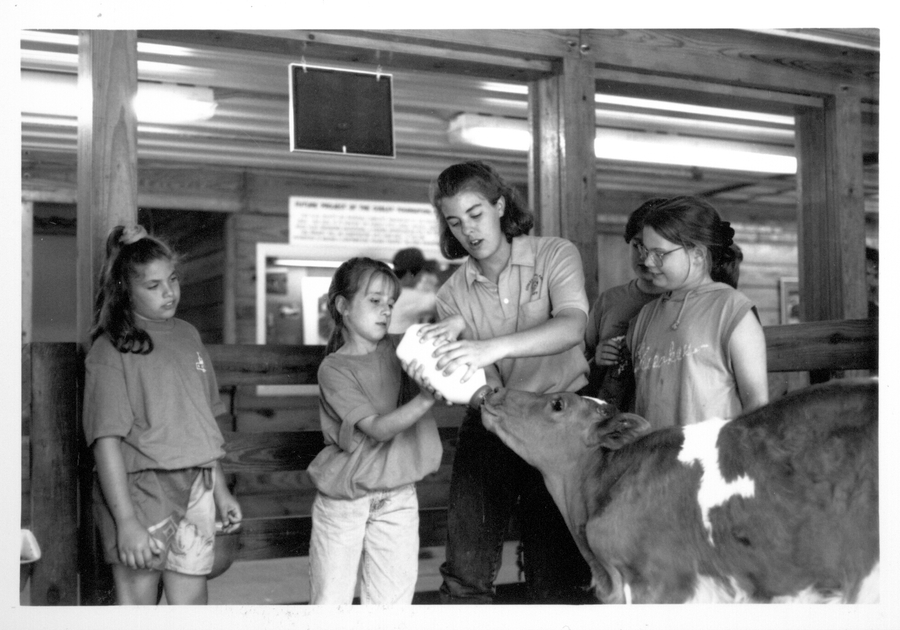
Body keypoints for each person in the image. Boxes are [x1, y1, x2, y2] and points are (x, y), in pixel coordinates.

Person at [417, 160, 593, 603]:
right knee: (466, 566)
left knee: (555, 567)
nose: (468, 231)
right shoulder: (451, 294)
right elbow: (482, 384)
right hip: (496, 417)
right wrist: (447, 374)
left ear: (499, 205)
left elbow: (572, 327)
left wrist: (492, 346)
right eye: (454, 223)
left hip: (562, 414)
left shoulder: (555, 253)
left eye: (476, 214)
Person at [82, 224, 242, 605]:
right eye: (153, 286)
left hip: (198, 486)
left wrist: (220, 492)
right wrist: (126, 523)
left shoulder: (188, 335)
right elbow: (105, 444)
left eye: (172, 280)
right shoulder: (110, 350)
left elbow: (201, 427)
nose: (169, 292)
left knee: (190, 606)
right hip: (142, 492)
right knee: (137, 605)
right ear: (125, 290)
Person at [306, 257, 443, 605]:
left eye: (391, 303)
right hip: (345, 502)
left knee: (391, 610)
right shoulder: (334, 369)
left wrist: (448, 333)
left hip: (398, 497)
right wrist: (427, 397)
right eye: (375, 301)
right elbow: (378, 430)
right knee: (330, 607)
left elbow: (457, 323)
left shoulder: (403, 348)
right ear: (343, 306)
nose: (386, 311)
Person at [625, 196, 768, 430]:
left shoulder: (732, 310)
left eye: (659, 254)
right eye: (644, 250)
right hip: (653, 461)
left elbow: (757, 408)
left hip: (711, 463)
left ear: (698, 255)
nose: (647, 261)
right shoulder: (644, 316)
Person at [584, 198, 669, 410]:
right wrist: (597, 357)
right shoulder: (609, 300)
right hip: (611, 415)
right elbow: (581, 359)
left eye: (654, 248)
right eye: (637, 245)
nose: (643, 256)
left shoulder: (682, 302)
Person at [389, 247, 439, 334]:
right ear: (409, 274)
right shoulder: (407, 295)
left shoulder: (390, 288)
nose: (420, 279)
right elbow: (442, 300)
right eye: (420, 275)